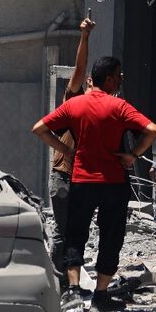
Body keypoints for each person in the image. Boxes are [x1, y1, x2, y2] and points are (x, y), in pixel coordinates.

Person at [32, 56, 156, 312]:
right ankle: (101, 294)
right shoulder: (120, 106)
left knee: (75, 234)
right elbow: (152, 130)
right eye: (119, 75)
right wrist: (133, 155)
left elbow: (39, 128)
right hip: (113, 182)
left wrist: (66, 150)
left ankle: (74, 291)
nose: (121, 79)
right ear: (110, 78)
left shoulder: (75, 105)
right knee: (111, 237)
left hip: (82, 180)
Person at [48, 17, 94, 278]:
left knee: (77, 231)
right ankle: (59, 279)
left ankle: (70, 275)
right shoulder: (74, 102)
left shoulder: (106, 110)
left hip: (86, 180)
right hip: (65, 176)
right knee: (63, 231)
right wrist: (84, 37)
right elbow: (79, 68)